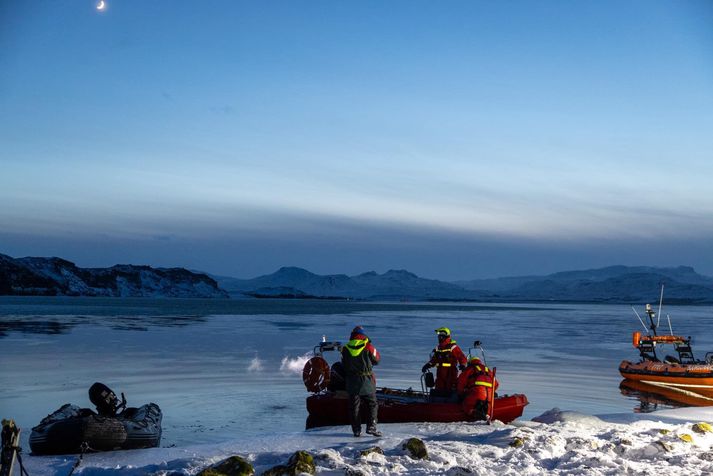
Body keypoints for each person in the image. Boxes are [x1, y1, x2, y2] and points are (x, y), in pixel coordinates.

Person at [341, 325, 381, 437]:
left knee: (354, 407)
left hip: (352, 382)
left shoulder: (346, 348)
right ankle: (371, 427)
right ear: (363, 335)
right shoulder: (368, 346)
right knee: (372, 404)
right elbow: (377, 359)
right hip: (367, 381)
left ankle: (356, 430)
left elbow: (344, 365)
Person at [421, 327, 467, 394]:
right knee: (439, 387)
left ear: (446, 336)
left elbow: (461, 357)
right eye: (439, 336)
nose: (440, 338)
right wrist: (428, 365)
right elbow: (434, 359)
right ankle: (437, 402)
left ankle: (451, 402)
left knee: (450, 387)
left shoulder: (453, 347)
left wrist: (462, 365)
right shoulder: (438, 348)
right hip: (440, 371)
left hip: (450, 371)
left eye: (441, 336)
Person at [456, 356, 499, 420]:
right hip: (489, 395)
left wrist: (460, 394)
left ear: (470, 362)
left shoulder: (469, 369)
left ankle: (475, 413)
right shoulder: (487, 369)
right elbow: (496, 384)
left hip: (477, 393)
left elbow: (461, 383)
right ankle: (486, 413)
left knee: (466, 405)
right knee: (487, 406)